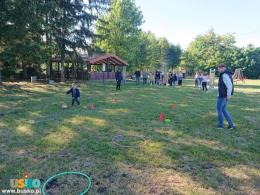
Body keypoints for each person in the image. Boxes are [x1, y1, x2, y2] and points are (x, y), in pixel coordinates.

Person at [216, 64, 235, 129]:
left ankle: (220, 126)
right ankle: (231, 125)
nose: (218, 70)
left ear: (222, 68)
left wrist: (229, 95)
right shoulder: (226, 74)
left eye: (219, 69)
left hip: (223, 96)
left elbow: (229, 85)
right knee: (223, 110)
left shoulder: (225, 75)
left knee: (219, 109)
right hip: (223, 95)